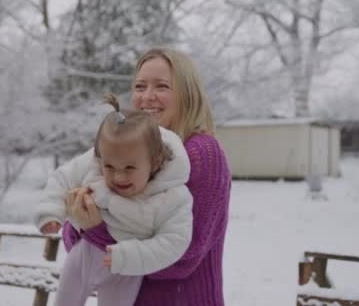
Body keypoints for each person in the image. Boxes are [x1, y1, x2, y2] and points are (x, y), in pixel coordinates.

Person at [63, 47, 232, 305]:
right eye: (140, 87)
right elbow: (75, 239)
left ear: (187, 94)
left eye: (162, 86)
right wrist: (80, 218)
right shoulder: (126, 147)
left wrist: (96, 231)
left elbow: (182, 259)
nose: (147, 97)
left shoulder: (201, 152)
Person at [35, 93, 194, 306]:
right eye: (109, 166)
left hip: (124, 271)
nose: (118, 177)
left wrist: (129, 256)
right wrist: (50, 210)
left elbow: (173, 242)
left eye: (130, 168)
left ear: (155, 162)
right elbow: (63, 178)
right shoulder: (94, 161)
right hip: (83, 257)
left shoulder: (173, 197)